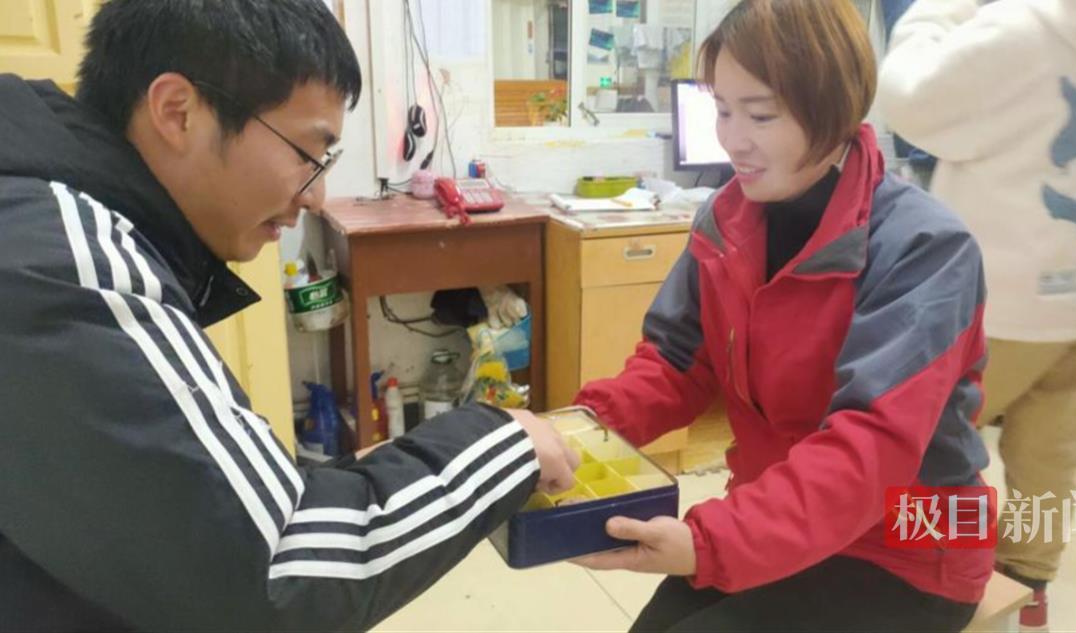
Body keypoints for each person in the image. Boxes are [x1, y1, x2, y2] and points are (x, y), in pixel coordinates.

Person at [0, 1, 578, 630]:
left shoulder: (50, 216)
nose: (316, 195)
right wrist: (503, 443)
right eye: (307, 153)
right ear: (177, 111)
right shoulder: (63, 260)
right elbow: (275, 567)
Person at [572, 1, 993, 630]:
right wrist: (576, 431)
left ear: (835, 110)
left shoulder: (924, 249)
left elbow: (869, 451)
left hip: (909, 543)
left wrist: (710, 544)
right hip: (773, 517)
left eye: (761, 115)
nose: (732, 139)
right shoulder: (726, 219)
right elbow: (675, 362)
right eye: (722, 110)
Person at [878, 0, 1076, 628]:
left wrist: (936, 13)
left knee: (927, 435)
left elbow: (910, 104)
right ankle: (1027, 579)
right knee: (1052, 446)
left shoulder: (1016, 30)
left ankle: (920, 568)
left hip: (1012, 298)